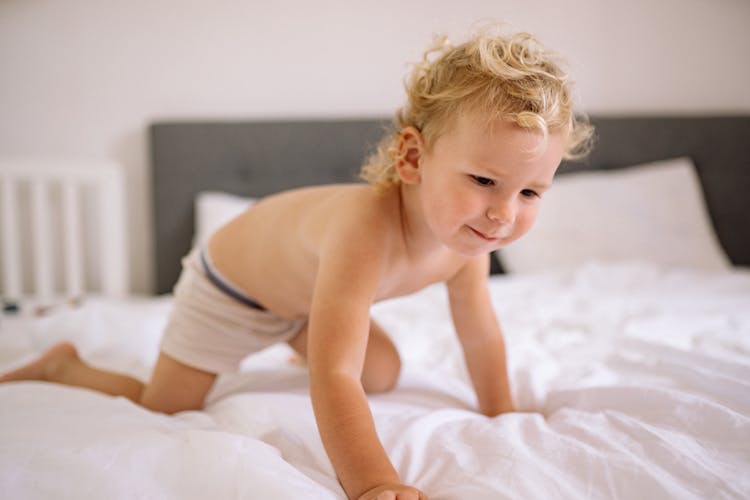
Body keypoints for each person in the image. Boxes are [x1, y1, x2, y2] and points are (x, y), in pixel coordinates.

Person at [1, 27, 593, 500]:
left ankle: (302, 329)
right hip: (232, 290)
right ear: (413, 157)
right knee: (168, 405)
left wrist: (501, 412)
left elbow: (480, 332)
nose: (502, 214)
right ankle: (64, 368)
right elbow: (332, 377)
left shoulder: (466, 240)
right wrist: (374, 482)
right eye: (485, 180)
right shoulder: (365, 231)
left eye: (529, 193)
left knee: (382, 374)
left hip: (304, 297)